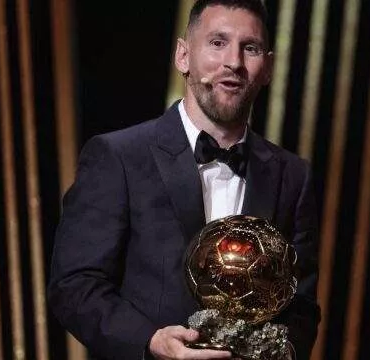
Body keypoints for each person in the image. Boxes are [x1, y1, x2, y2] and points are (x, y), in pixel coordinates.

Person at [48, 0, 320, 359]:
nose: (234, 63)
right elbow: (74, 285)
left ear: (267, 67)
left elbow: (299, 304)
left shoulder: (293, 175)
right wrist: (150, 341)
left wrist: (282, 352)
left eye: (249, 48)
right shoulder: (118, 156)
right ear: (183, 56)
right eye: (217, 42)